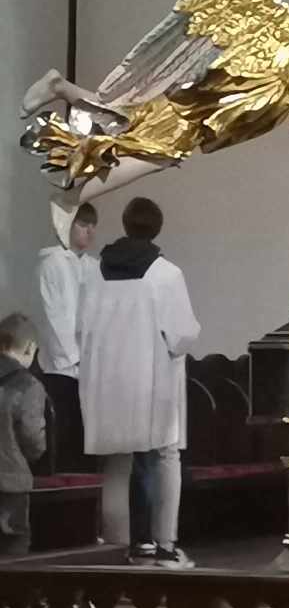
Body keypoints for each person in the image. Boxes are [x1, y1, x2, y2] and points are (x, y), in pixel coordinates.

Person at [79, 197, 199, 568]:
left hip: (107, 380)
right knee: (164, 456)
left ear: (126, 224)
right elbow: (181, 334)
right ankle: (164, 546)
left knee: (119, 458)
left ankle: (125, 546)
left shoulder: (95, 272)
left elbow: (81, 328)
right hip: (152, 379)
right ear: (157, 229)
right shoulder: (165, 273)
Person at [34, 202, 98, 469]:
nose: (90, 232)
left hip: (89, 367)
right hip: (61, 366)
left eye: (93, 226)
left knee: (86, 443)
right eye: (83, 225)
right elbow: (54, 316)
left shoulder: (94, 267)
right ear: (66, 226)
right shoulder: (51, 263)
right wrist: (74, 357)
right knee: (65, 434)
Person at [0, 314, 49, 559]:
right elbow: (32, 439)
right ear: (30, 348)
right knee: (13, 556)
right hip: (9, 484)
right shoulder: (28, 385)